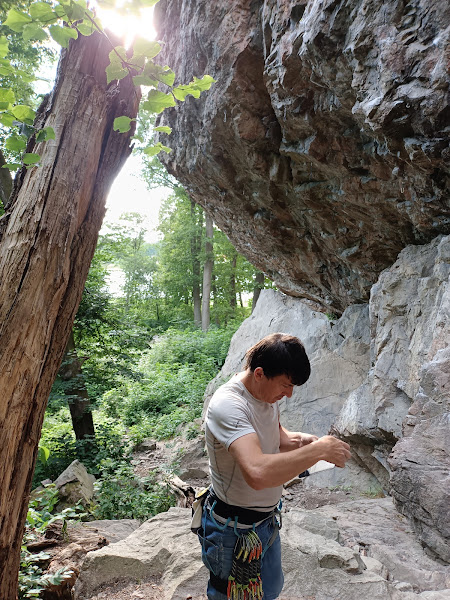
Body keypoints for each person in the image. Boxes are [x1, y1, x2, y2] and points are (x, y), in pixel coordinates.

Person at [198, 332, 351, 600]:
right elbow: (257, 472)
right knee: (230, 596)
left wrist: (303, 441)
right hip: (233, 530)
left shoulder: (265, 396)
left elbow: (278, 437)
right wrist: (318, 450)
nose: (288, 394)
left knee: (269, 590)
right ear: (259, 373)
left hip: (265, 522)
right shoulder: (229, 405)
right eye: (285, 385)